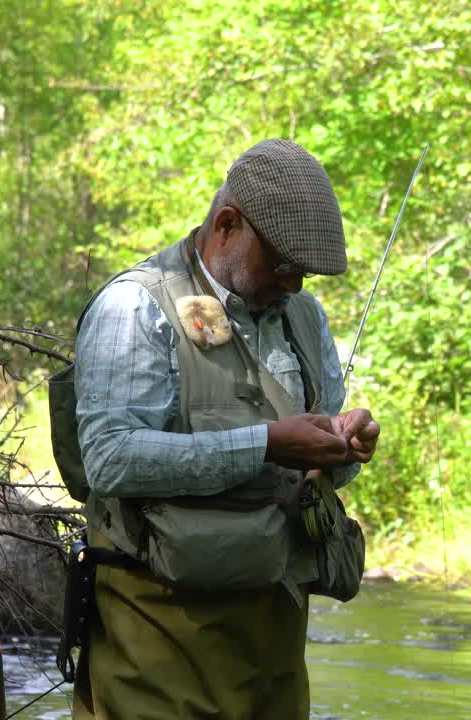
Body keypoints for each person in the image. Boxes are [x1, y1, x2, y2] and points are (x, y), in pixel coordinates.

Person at [69, 139, 380, 720]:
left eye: (304, 272)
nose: (295, 285)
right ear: (227, 225)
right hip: (156, 646)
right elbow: (110, 458)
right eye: (284, 265)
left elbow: (321, 473)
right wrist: (268, 444)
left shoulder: (304, 318)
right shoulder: (135, 305)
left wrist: (345, 447)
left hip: (274, 655)